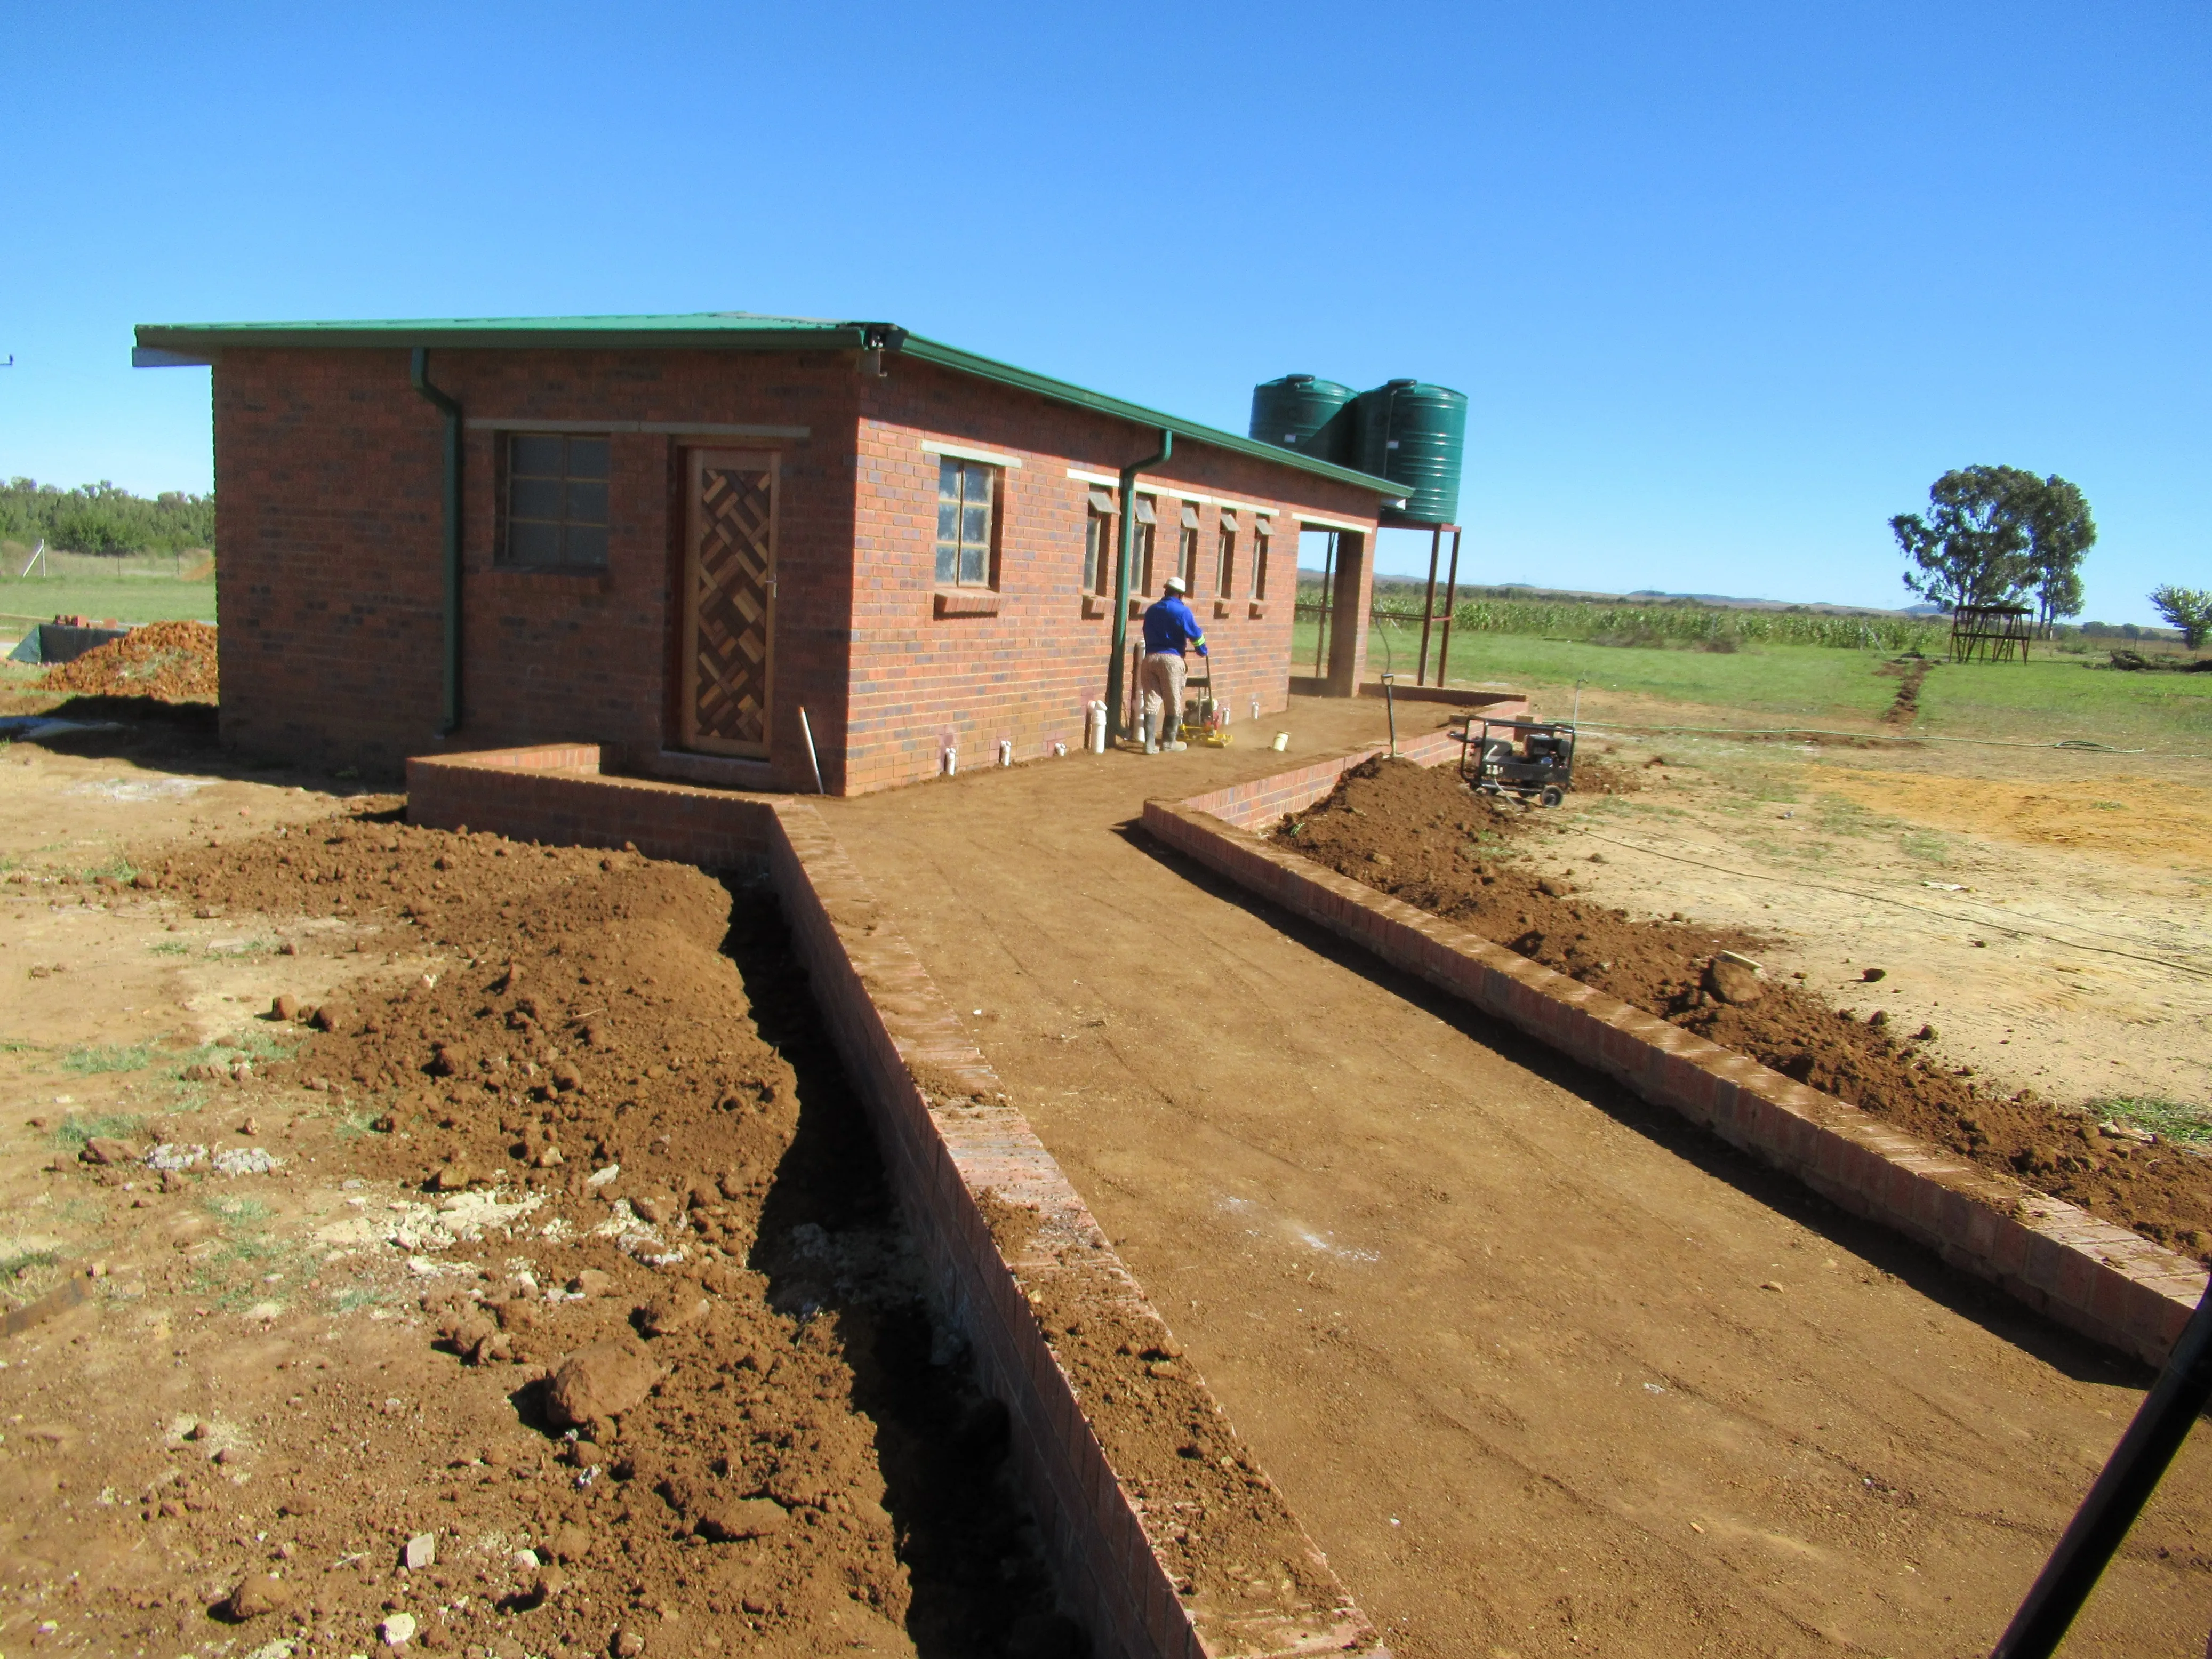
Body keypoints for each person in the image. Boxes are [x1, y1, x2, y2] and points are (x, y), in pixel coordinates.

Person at [1139, 575, 1207, 752]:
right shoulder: (1182, 612)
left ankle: (1149, 744)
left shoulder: (1152, 610)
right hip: (1171, 660)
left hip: (1150, 658)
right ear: (1181, 595)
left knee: (1151, 700)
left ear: (1166, 591)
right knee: (1173, 700)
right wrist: (1202, 651)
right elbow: (1196, 635)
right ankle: (1169, 742)